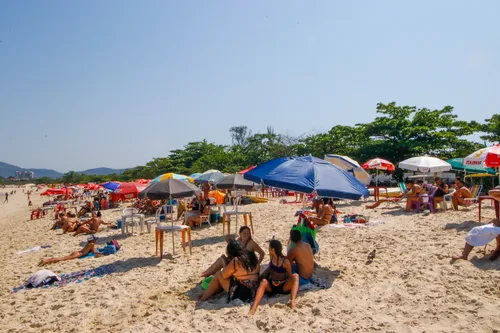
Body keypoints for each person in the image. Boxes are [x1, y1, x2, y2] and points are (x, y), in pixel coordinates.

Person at [249, 240, 299, 315]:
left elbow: (290, 276)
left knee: (296, 276)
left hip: (282, 286)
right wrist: (262, 277)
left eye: (269, 247)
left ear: (273, 249)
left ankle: (292, 301)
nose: (268, 249)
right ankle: (254, 307)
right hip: (272, 286)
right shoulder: (271, 257)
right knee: (263, 282)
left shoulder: (285, 262)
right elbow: (269, 269)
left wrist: (281, 282)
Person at [201, 226, 265, 277]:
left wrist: (258, 264)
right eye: (244, 233)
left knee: (222, 260)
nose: (246, 235)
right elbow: (230, 251)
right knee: (221, 259)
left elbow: (262, 254)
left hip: (245, 265)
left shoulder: (251, 243)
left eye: (248, 233)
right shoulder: (237, 241)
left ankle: (207, 274)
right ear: (240, 234)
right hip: (237, 262)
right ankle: (206, 272)